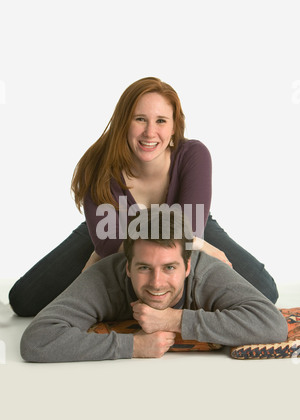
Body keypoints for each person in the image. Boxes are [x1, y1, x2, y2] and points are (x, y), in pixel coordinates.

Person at [9, 77, 278, 318]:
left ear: (174, 126)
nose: (150, 132)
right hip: (111, 228)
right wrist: (203, 248)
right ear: (124, 122)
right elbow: (109, 242)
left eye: (161, 121)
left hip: (188, 232)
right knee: (24, 300)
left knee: (264, 291)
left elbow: (189, 231)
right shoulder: (99, 163)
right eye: (140, 119)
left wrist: (200, 243)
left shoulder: (194, 155)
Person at [20, 208, 287, 363]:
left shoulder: (207, 272)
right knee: (22, 298)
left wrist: (173, 319)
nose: (157, 283)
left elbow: (273, 325)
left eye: (169, 267)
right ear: (127, 267)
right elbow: (36, 340)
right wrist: (134, 346)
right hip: (109, 221)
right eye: (144, 268)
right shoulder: (105, 277)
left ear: (188, 266)